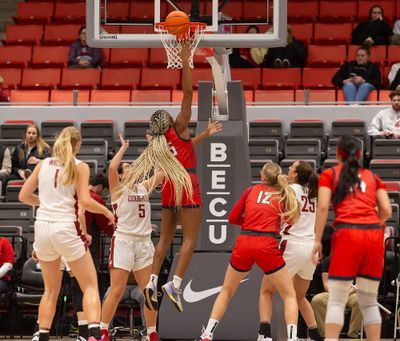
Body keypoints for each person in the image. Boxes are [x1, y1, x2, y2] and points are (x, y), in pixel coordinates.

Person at [143, 45, 222, 314]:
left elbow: (185, 147)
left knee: (164, 240)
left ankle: (152, 282)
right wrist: (186, 60)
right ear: (171, 121)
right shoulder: (179, 125)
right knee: (190, 239)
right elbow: (188, 93)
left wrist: (205, 135)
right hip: (187, 183)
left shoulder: (161, 141)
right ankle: (175, 284)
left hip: (168, 185)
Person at [18, 126, 114, 341]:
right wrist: (107, 211)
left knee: (50, 290)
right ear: (78, 145)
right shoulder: (80, 166)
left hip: (42, 227)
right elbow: (87, 201)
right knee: (90, 285)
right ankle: (94, 334)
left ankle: (42, 335)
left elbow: (24, 196)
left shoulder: (42, 164)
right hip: (65, 227)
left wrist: (46, 202)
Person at [197, 162, 301, 341]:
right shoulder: (283, 194)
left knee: (227, 290)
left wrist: (249, 225)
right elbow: (291, 220)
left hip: (245, 240)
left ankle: (208, 333)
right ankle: (292, 339)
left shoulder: (250, 191)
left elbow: (232, 218)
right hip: (267, 243)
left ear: (262, 176)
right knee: (289, 295)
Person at [311, 135, 392, 341]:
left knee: (337, 301)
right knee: (369, 302)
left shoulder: (329, 174)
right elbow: (387, 211)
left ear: (338, 154)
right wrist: (373, 228)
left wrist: (317, 240)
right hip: (373, 235)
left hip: (347, 233)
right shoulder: (373, 178)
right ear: (359, 155)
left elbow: (322, 207)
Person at [100, 133, 164, 341]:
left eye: (131, 166)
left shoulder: (143, 187)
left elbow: (162, 172)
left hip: (144, 243)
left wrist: (155, 146)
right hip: (124, 242)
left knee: (149, 292)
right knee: (116, 290)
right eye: (126, 167)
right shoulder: (118, 189)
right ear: (121, 174)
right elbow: (111, 168)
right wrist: (123, 148)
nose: (130, 168)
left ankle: (152, 333)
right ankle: (102, 331)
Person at [277, 161, 322, 341]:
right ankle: (315, 335)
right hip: (310, 247)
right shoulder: (313, 193)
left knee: (270, 292)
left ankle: (290, 336)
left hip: (293, 244)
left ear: (295, 174)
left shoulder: (291, 190)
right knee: (299, 296)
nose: (288, 170)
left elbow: (283, 216)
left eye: (291, 168)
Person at [311, 256, 362, 339]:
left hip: (351, 293)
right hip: (332, 294)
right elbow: (326, 284)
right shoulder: (328, 261)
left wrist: (348, 292)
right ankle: (325, 335)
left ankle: (352, 335)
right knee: (317, 300)